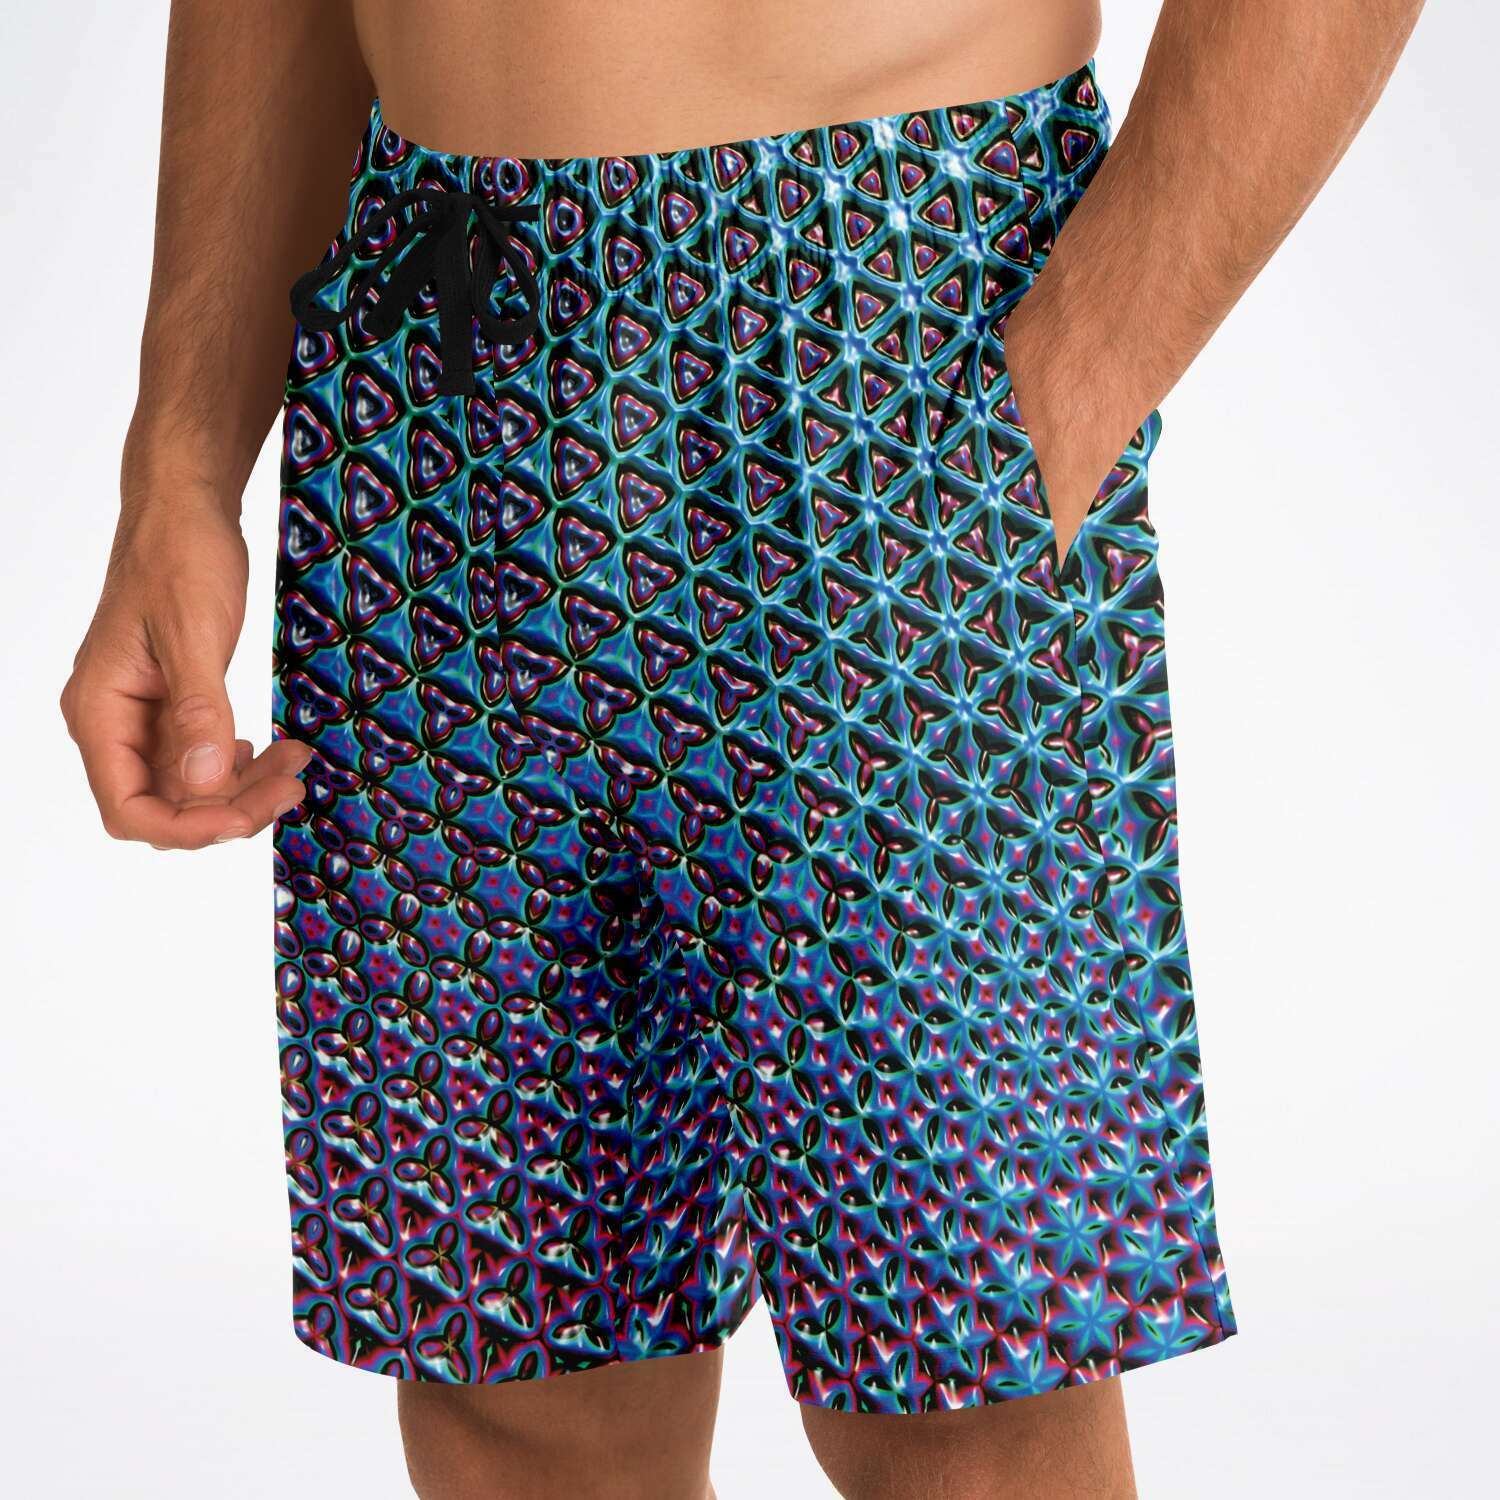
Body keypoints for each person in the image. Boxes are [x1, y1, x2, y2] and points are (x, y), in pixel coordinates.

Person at [60, 2, 1425, 1496]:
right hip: (434, 354)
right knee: (509, 1370)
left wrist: (1067, 387)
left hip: (874, 319)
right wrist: (181, 461)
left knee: (966, 1396)